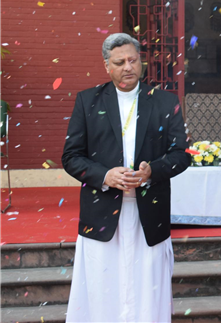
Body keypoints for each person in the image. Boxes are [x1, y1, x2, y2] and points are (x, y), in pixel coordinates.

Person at [62, 33, 191, 322]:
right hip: (102, 212)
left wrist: (151, 171)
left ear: (141, 62)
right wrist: (105, 175)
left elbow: (181, 155)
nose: (128, 67)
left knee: (147, 288)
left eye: (133, 60)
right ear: (106, 66)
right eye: (119, 62)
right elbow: (71, 157)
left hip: (149, 213)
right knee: (102, 286)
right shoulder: (88, 101)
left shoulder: (164, 101)